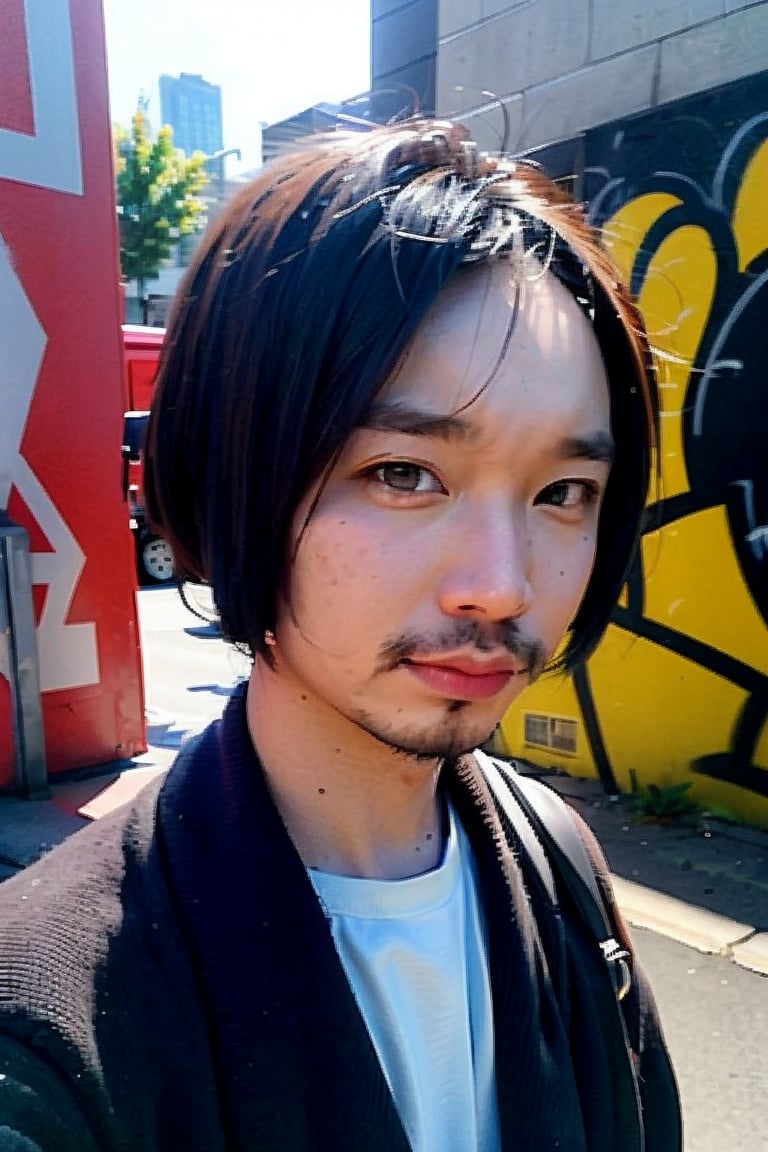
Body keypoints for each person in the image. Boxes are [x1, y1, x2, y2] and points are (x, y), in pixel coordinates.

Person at [0, 119, 681, 1151]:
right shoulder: (49, 1040)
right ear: (236, 469)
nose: (501, 588)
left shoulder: (562, 869)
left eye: (563, 491)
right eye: (404, 474)